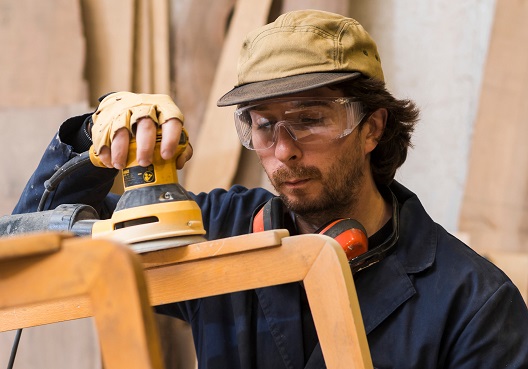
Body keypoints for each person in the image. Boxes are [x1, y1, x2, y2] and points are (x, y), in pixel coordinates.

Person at [13, 9, 528, 369]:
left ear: (372, 128)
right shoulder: (212, 235)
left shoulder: (473, 303)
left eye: (309, 120)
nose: (283, 151)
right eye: (262, 125)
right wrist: (95, 137)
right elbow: (28, 253)